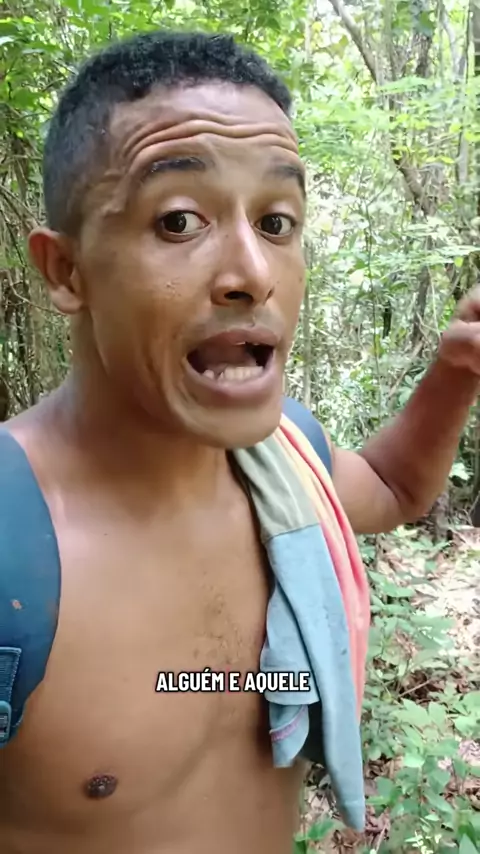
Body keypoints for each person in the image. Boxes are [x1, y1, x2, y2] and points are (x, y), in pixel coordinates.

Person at [0, 29, 479, 854]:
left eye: (277, 220)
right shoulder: (14, 548)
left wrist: (457, 369)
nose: (253, 272)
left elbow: (394, 490)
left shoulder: (288, 459)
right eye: (179, 221)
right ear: (66, 272)